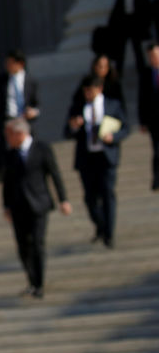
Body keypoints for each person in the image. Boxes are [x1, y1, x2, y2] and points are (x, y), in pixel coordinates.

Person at [2, 118, 72, 298]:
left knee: (37, 243)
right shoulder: (10, 154)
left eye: (9, 134)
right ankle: (31, 280)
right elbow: (7, 183)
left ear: (20, 133)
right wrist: (6, 205)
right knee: (23, 246)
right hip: (18, 206)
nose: (7, 138)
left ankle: (39, 283)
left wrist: (63, 199)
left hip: (39, 204)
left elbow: (54, 174)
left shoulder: (42, 149)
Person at [65, 75, 130, 248]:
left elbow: (125, 127)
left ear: (99, 89)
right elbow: (67, 131)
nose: (88, 94)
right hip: (87, 158)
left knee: (107, 193)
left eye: (91, 90)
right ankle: (100, 225)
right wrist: (74, 126)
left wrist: (113, 137)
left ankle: (109, 233)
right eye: (85, 91)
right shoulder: (78, 107)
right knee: (90, 198)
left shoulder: (112, 105)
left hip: (106, 156)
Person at [108, 0, 153, 76]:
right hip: (124, 22)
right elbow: (118, 6)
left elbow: (145, 7)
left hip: (137, 22)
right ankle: (117, 74)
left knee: (138, 50)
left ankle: (143, 73)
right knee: (119, 51)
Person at [0, 49, 39, 141]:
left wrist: (33, 112)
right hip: (7, 121)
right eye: (7, 63)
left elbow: (35, 103)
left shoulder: (30, 81)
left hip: (24, 121)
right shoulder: (1, 80)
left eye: (11, 63)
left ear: (20, 63)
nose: (7, 66)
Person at [138, 42, 159, 190]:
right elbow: (142, 99)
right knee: (157, 149)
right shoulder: (145, 74)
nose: (154, 58)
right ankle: (157, 178)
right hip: (154, 120)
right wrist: (142, 121)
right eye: (151, 56)